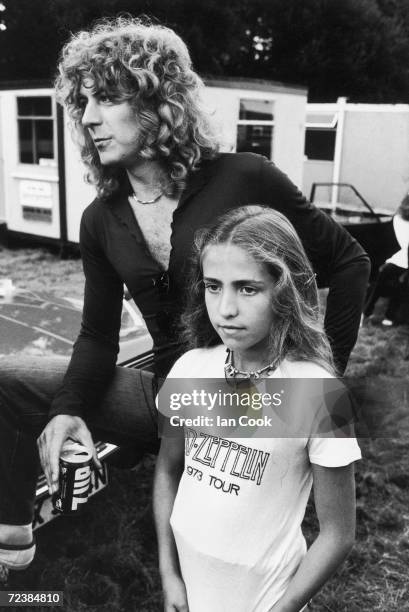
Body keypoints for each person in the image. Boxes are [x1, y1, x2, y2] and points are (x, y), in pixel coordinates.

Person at [0, 17, 369, 570]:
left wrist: (319, 391)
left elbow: (350, 262)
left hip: (261, 404)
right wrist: (67, 409)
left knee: (227, 569)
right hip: (170, 399)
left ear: (159, 101)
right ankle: (13, 539)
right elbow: (98, 334)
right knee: (7, 379)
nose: (89, 117)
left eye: (106, 97)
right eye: (82, 104)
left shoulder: (246, 178)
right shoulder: (100, 219)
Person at [154, 206, 361, 612]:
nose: (225, 309)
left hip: (262, 599)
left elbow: (338, 533)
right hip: (188, 591)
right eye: (214, 286)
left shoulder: (318, 392)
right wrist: (169, 574)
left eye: (247, 288)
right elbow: (167, 470)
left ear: (285, 290)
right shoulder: (190, 368)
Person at [363, 194, 409, 325]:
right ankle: (366, 311)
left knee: (403, 282)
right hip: (398, 259)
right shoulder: (398, 220)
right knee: (382, 273)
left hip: (406, 262)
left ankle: (391, 316)